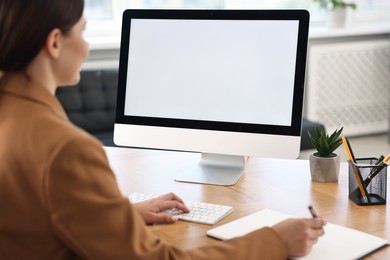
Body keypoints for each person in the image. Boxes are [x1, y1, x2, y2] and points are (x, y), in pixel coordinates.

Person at [0, 0, 326, 259]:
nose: (86, 47)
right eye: (83, 33)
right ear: (55, 42)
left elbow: (33, 217)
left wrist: (117, 214)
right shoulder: (68, 150)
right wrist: (274, 242)